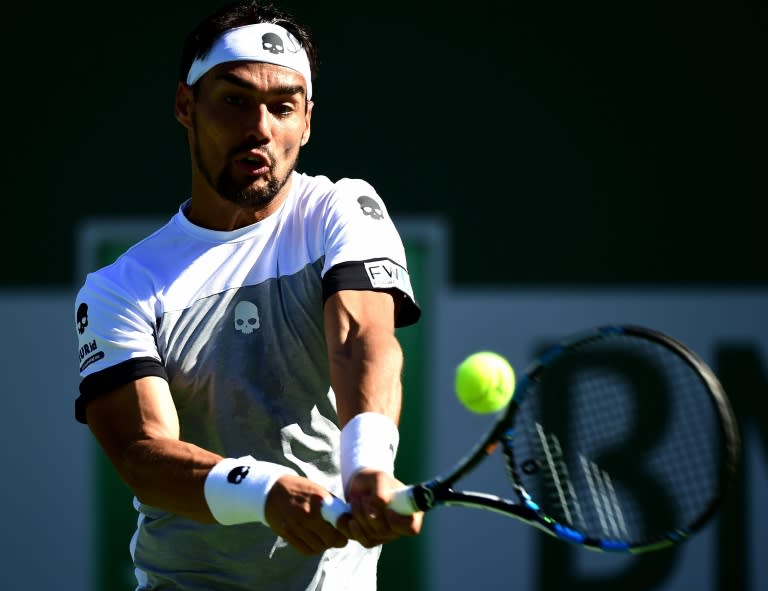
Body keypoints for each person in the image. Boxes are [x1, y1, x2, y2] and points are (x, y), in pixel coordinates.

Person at [72, 1, 423, 589]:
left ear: (306, 122)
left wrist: (367, 464)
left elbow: (362, 335)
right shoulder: (122, 287)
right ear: (186, 107)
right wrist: (264, 491)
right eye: (235, 100)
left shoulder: (342, 210)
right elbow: (143, 453)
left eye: (283, 107)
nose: (261, 127)